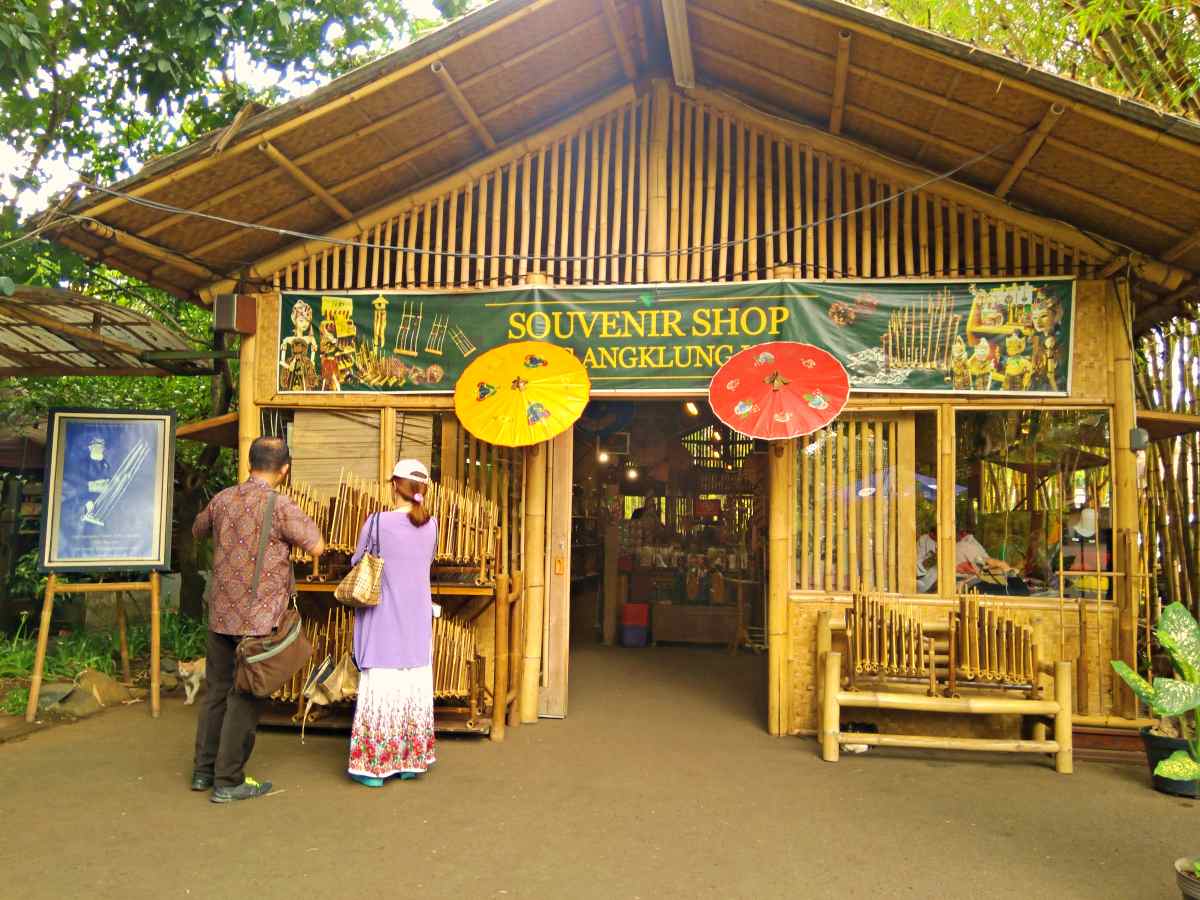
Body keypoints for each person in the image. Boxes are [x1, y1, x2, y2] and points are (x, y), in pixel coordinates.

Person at [190, 436, 324, 803]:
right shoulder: (280, 505)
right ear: (284, 469)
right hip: (258, 621)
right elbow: (316, 544)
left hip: (220, 614)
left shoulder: (222, 499)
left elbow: (198, 530)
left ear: (249, 463)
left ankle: (203, 772)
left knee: (216, 691)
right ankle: (229, 780)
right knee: (244, 697)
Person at [347, 458, 438, 787]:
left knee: (382, 691)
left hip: (384, 620)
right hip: (416, 622)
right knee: (413, 688)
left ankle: (374, 769)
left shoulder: (376, 522)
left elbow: (360, 561)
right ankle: (411, 762)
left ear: (394, 486)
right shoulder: (432, 525)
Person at [915, 527, 938, 593]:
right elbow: (925, 557)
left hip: (926, 567)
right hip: (921, 568)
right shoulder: (924, 539)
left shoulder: (934, 541)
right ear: (932, 534)